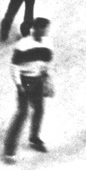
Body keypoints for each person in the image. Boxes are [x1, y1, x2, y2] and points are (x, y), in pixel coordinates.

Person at [2, 17, 51, 161]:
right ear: (34, 29)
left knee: (39, 109)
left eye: (46, 29)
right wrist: (19, 85)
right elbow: (14, 66)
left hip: (38, 80)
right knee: (22, 113)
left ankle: (34, 138)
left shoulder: (47, 42)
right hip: (25, 81)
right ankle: (9, 150)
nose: (44, 32)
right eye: (42, 29)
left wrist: (46, 78)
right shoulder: (23, 45)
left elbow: (46, 61)